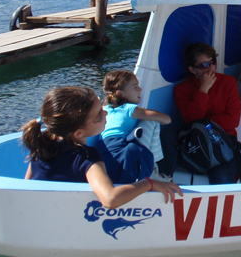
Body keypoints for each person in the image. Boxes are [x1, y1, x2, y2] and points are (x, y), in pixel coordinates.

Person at [22, 86, 182, 208]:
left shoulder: (41, 145)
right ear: (78, 132)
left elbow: (27, 186)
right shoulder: (87, 157)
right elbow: (110, 199)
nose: (105, 114)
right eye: (99, 114)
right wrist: (150, 183)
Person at [174, 42, 241, 184]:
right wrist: (203, 90)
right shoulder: (182, 89)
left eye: (212, 63)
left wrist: (203, 123)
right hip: (195, 144)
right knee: (167, 136)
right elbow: (190, 121)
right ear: (192, 70)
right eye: (203, 65)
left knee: (221, 177)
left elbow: (233, 120)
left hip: (223, 144)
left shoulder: (227, 82)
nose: (210, 68)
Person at [100, 70, 172, 183]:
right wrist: (142, 116)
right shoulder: (129, 109)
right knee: (152, 121)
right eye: (135, 87)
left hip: (105, 154)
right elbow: (166, 120)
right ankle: (153, 171)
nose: (140, 89)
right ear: (120, 93)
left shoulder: (105, 109)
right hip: (123, 152)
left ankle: (152, 170)